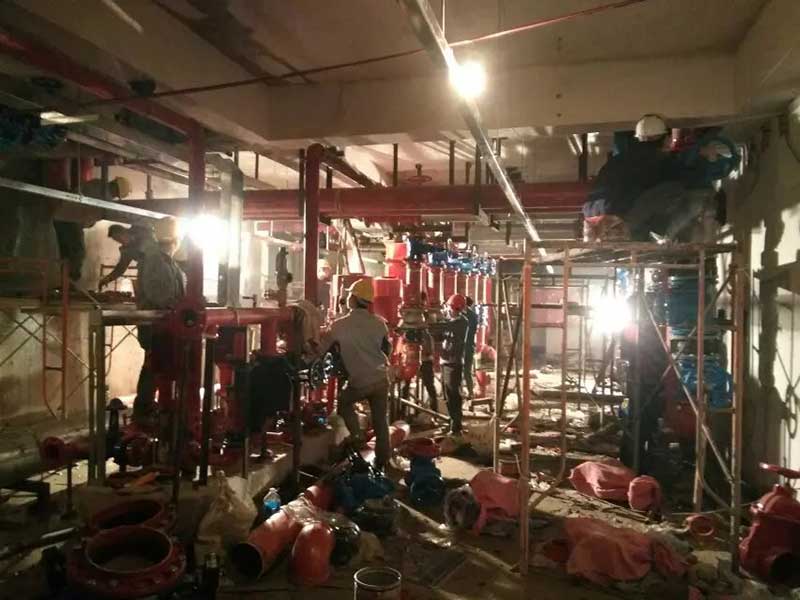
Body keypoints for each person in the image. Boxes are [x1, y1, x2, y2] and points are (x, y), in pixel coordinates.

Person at [101, 223, 186, 425]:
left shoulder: (159, 258)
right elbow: (159, 294)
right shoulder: (153, 258)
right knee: (154, 364)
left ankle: (148, 407)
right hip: (158, 323)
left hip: (161, 322)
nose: (121, 242)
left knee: (156, 365)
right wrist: (108, 278)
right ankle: (146, 408)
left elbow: (165, 293)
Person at [321, 278, 392, 470]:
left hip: (360, 381)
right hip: (381, 378)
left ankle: (357, 435)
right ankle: (383, 461)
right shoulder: (380, 323)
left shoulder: (339, 325)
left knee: (344, 402)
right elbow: (387, 350)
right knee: (380, 421)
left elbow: (322, 349)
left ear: (353, 299)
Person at [430, 293, 469, 437]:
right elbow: (439, 335)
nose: (448, 310)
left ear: (455, 308)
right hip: (445, 362)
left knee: (454, 395)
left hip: (454, 363)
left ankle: (456, 426)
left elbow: (444, 327)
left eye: (449, 308)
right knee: (447, 395)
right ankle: (452, 423)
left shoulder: (461, 322)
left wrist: (430, 322)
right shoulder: (450, 322)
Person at [463, 296, 479, 400]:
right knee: (466, 371)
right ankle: (470, 392)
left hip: (466, 346)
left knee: (465, 371)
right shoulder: (473, 315)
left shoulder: (467, 316)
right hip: (469, 346)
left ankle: (469, 392)